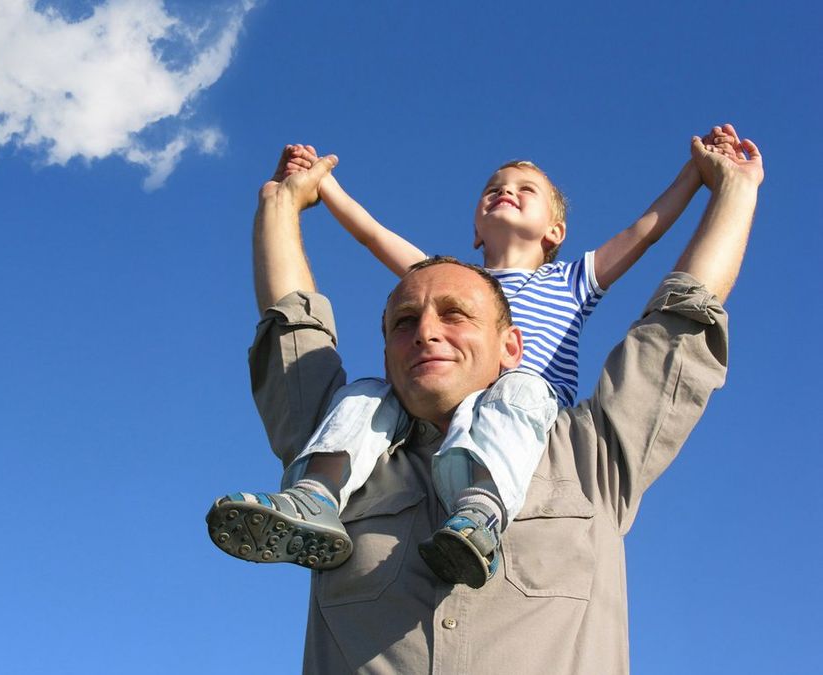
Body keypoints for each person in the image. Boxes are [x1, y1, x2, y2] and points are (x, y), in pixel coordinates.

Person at [209, 125, 762, 673]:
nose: (427, 330)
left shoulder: (591, 456)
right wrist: (299, 197)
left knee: (518, 392)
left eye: (456, 315)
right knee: (360, 398)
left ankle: (482, 507)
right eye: (404, 321)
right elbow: (306, 314)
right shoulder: (353, 429)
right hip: (375, 437)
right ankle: (314, 496)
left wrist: (712, 182)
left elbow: (676, 306)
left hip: (534, 408)